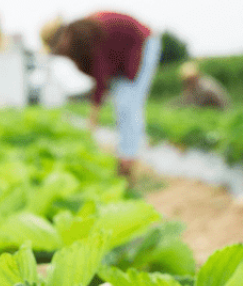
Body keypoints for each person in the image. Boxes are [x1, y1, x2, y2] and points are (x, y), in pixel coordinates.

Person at [41, 12, 161, 184]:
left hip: (144, 44)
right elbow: (99, 76)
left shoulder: (87, 33)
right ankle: (125, 158)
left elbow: (100, 74)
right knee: (123, 106)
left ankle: (128, 162)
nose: (59, 51)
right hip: (123, 56)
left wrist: (93, 116)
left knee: (128, 105)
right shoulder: (78, 41)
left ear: (63, 36)